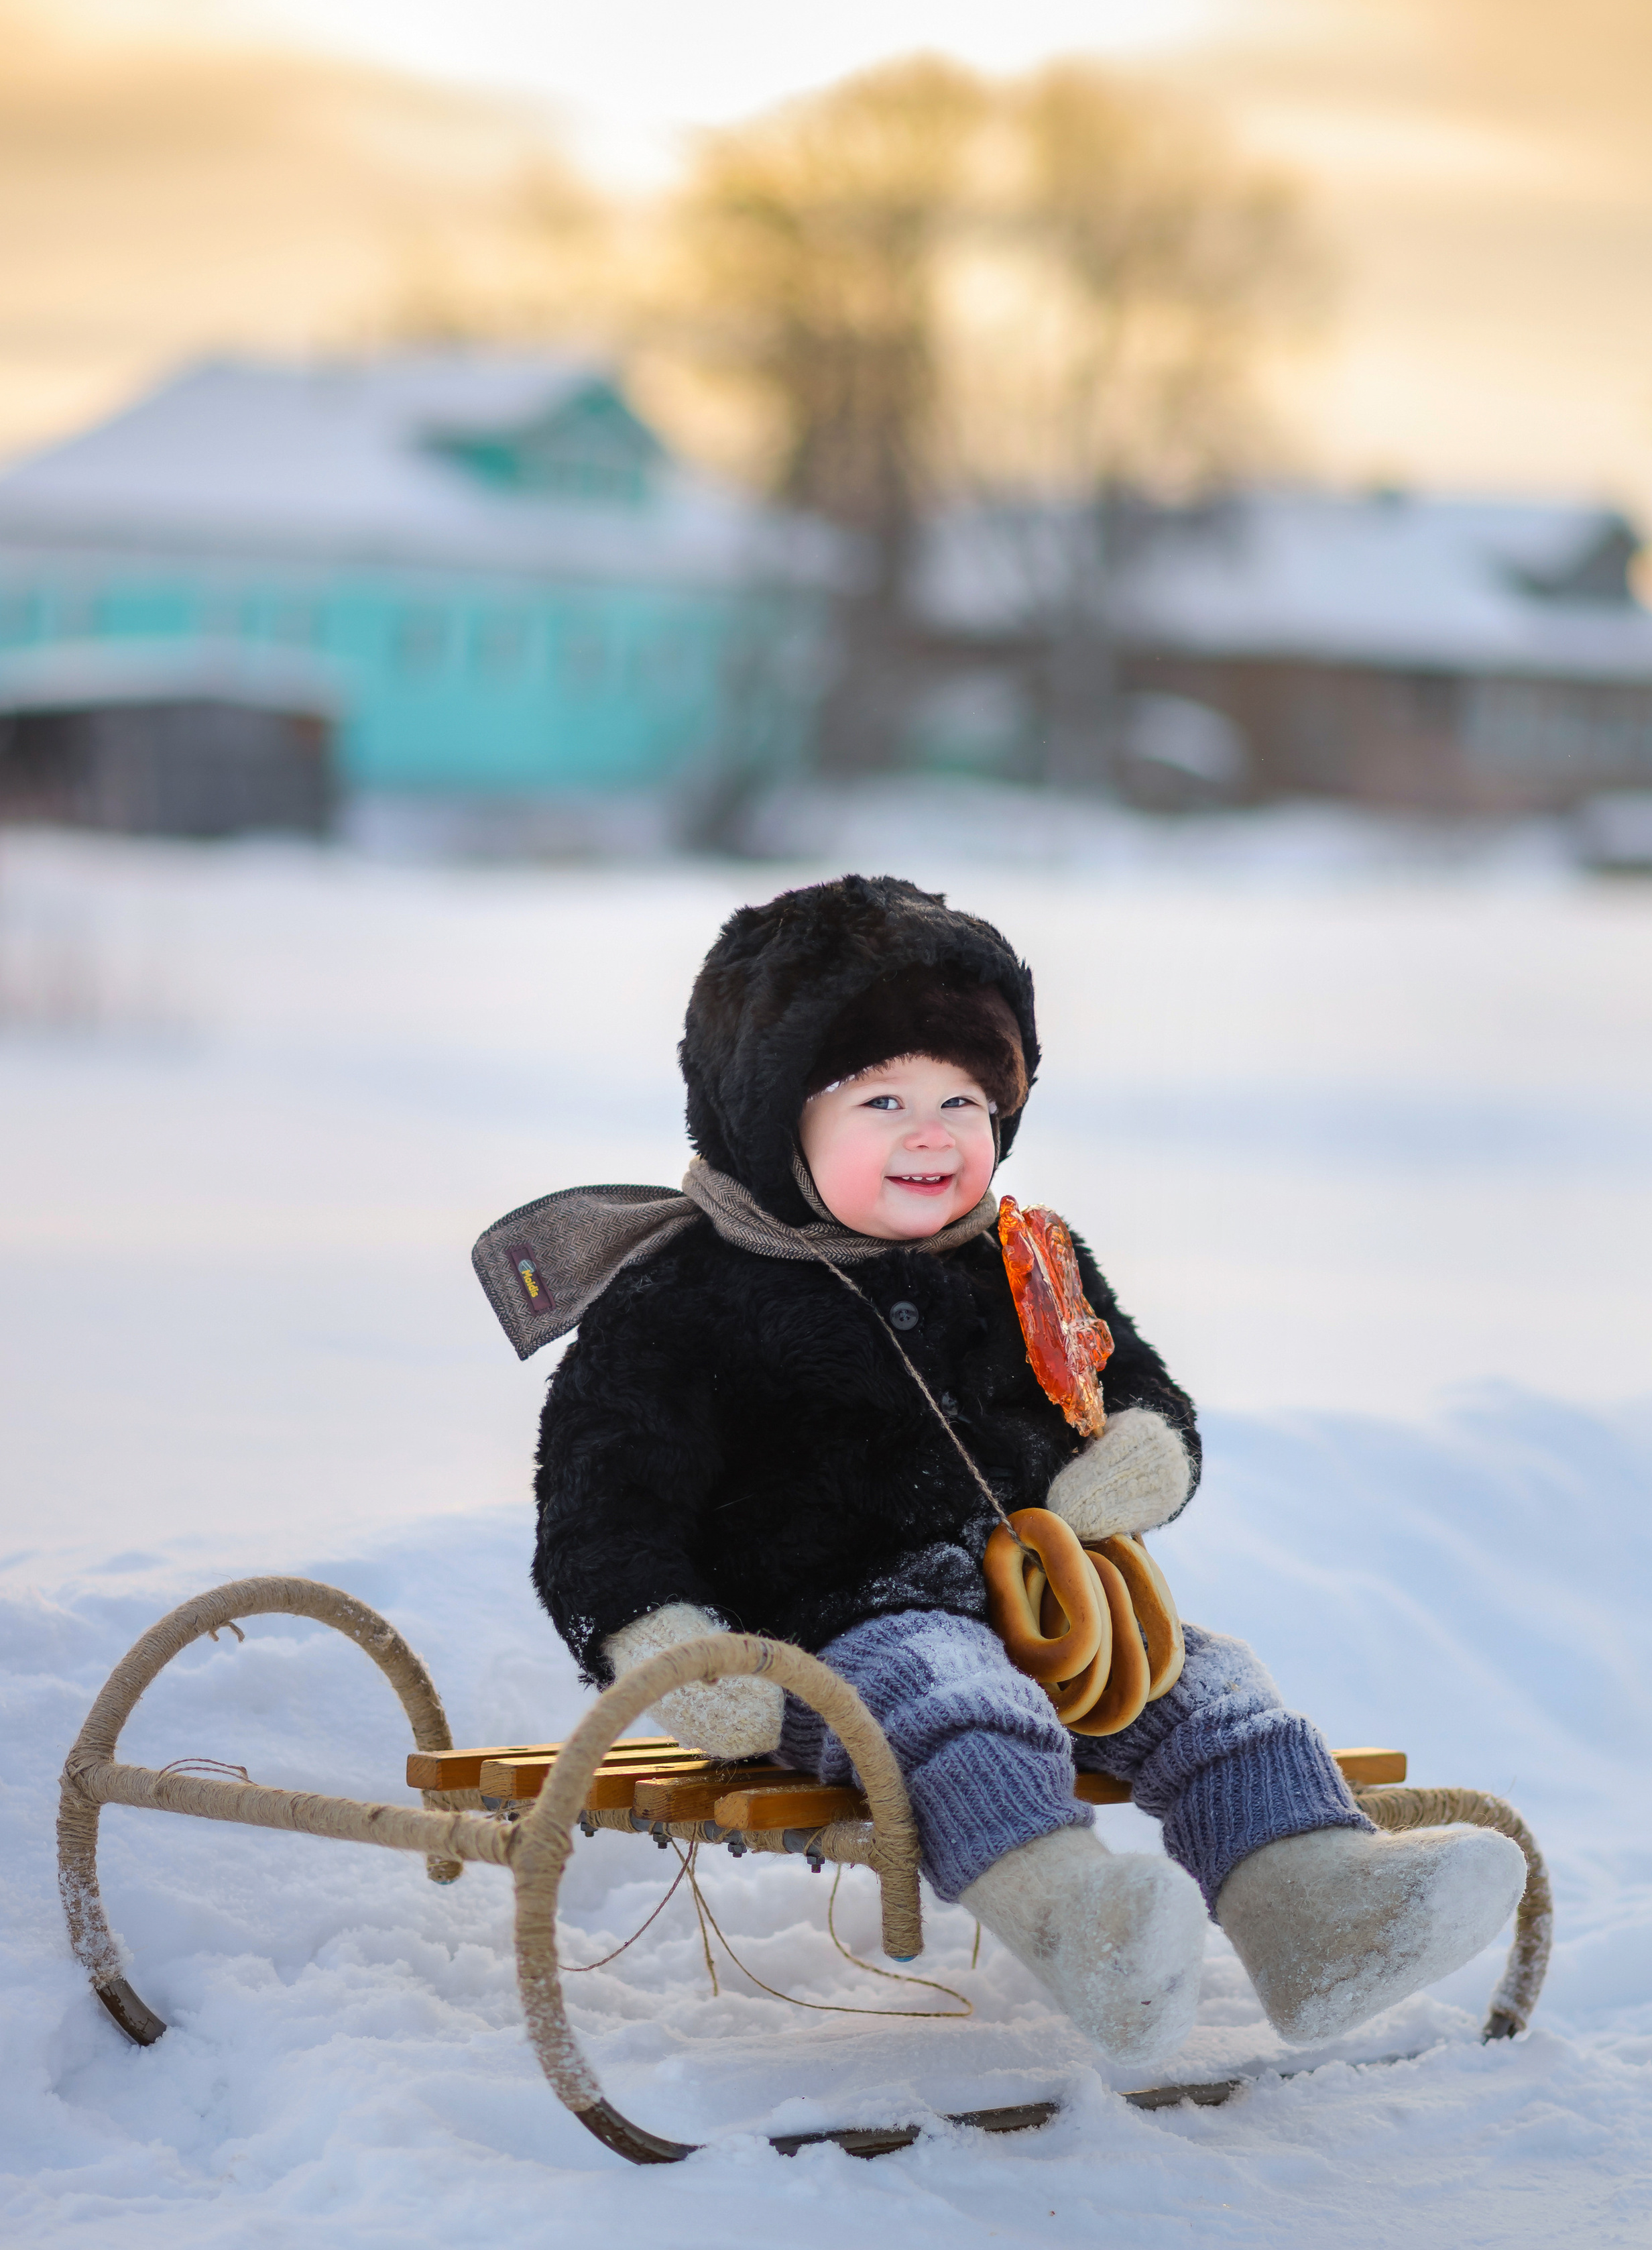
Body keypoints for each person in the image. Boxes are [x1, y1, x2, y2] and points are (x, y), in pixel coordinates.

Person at [498, 875, 1523, 2064]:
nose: (932, 1133)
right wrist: (669, 1645)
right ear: (772, 1118)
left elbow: (1133, 1385)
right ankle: (1079, 1919)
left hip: (1055, 1616)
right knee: (949, 1686)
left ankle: (1321, 1913)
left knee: (1202, 1683)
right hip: (832, 1644)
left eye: (965, 1099)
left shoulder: (1027, 1258)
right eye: (881, 1099)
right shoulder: (686, 1300)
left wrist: (1138, 1453)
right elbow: (601, 1507)